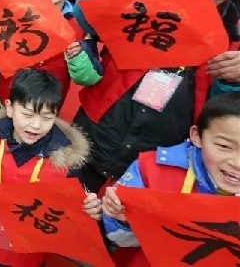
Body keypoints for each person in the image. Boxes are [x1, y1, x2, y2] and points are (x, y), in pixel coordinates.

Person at [69, 0, 240, 193]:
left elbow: (220, 112)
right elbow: (85, 17)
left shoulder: (233, 40)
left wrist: (232, 82)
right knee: (72, 204)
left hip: (162, 150)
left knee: (124, 224)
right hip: (100, 126)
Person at [0, 68, 101, 267]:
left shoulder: (66, 163)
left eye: (46, 118)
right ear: (10, 108)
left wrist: (89, 209)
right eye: (27, 114)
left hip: (29, 253)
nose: (36, 125)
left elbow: (73, 210)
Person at [102, 91, 240, 267]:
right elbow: (119, 239)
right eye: (224, 146)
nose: (237, 163)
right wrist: (123, 219)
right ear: (197, 136)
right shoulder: (152, 170)